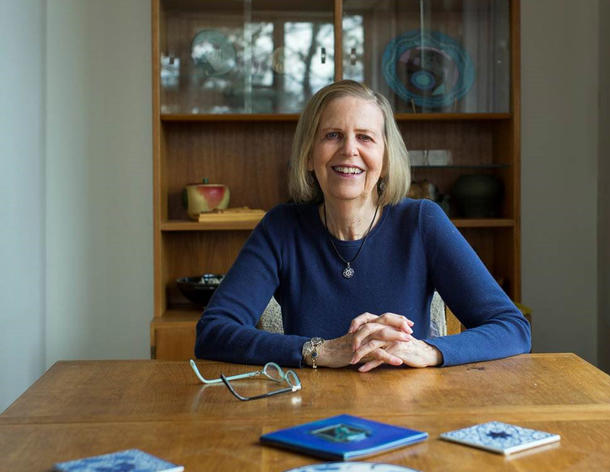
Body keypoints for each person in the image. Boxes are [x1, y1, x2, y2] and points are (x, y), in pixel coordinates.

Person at [195, 80, 530, 372]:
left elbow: (512, 328)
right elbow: (212, 332)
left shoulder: (422, 222)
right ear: (310, 155)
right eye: (333, 135)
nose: (349, 150)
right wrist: (321, 350)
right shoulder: (282, 227)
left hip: (411, 414)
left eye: (366, 138)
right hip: (309, 415)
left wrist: (427, 351)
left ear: (385, 160)